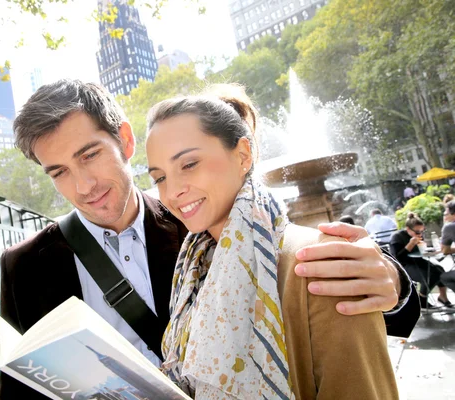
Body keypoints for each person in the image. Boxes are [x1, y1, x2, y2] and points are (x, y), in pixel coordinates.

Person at [0, 79, 417, 398]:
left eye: (89, 155)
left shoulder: (205, 215)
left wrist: (392, 282)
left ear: (125, 141)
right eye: (58, 172)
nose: (84, 184)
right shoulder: (24, 267)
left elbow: (327, 306)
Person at [146, 86, 399, 399]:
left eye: (188, 164)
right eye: (159, 177)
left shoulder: (319, 263)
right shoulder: (192, 274)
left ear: (243, 155)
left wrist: (395, 275)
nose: (172, 191)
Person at [390, 212, 453, 308]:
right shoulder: (397, 237)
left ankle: (443, 297)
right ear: (408, 229)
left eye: (422, 231)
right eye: (417, 232)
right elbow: (397, 258)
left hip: (417, 261)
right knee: (430, 275)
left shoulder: (417, 236)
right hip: (404, 266)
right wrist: (410, 244)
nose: (420, 234)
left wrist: (430, 249)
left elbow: (421, 252)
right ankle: (422, 299)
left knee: (439, 270)